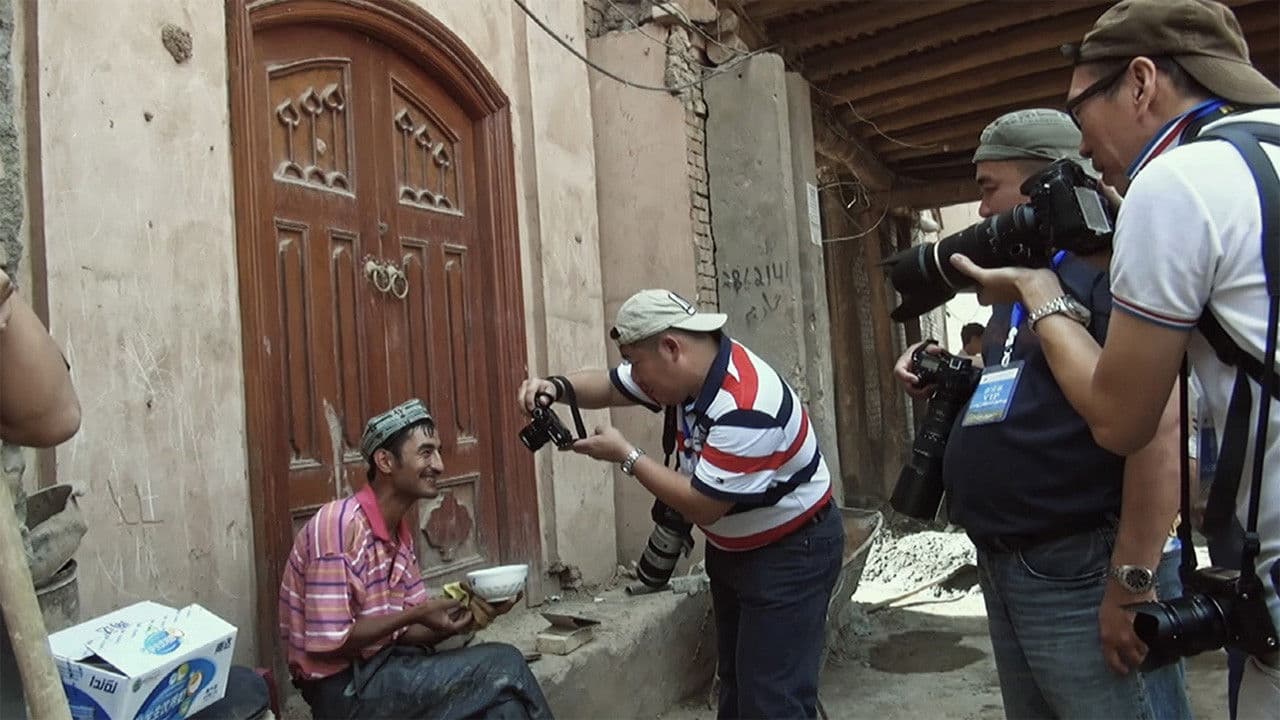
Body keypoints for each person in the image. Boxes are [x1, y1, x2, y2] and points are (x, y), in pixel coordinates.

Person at [951, 1, 1280, 717]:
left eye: (1081, 108)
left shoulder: (1178, 180)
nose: (1084, 142)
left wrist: (1040, 291)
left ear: (1140, 83)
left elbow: (1128, 422)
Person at [893, 108, 1191, 719]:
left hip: (1083, 567)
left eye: (987, 189)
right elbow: (1036, 384)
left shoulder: (1116, 267)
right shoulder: (1028, 274)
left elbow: (1161, 427)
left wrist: (1132, 585)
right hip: (1010, 567)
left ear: (1039, 186)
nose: (979, 213)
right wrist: (955, 376)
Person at [517, 289, 842, 719]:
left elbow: (704, 506)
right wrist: (555, 388)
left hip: (791, 554)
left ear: (671, 347)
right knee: (740, 686)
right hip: (736, 551)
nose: (635, 375)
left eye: (637, 362)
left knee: (773, 700)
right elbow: (612, 386)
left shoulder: (746, 404)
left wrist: (627, 456)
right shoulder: (690, 372)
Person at [279, 399, 553, 720]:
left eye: (438, 452)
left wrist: (473, 616)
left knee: (505, 710)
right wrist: (417, 614)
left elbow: (407, 634)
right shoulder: (340, 526)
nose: (438, 465)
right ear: (385, 461)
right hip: (343, 690)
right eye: (425, 452)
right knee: (506, 662)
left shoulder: (400, 536)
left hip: (388, 667)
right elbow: (330, 642)